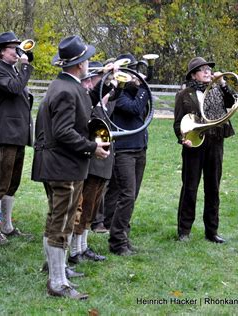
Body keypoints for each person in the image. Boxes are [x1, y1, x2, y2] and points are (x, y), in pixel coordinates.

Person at [32, 35, 113, 300]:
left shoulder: (64, 85)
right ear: (79, 64)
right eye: (87, 59)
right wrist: (92, 147)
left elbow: (83, 101)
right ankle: (57, 282)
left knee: (55, 219)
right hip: (63, 168)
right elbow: (64, 132)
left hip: (58, 165)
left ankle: (56, 269)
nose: (89, 62)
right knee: (62, 222)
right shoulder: (65, 90)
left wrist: (107, 79)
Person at [173, 57, 235, 243]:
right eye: (203, 70)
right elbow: (178, 123)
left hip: (215, 143)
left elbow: (232, 101)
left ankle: (212, 231)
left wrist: (223, 83)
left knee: (213, 188)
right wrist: (183, 139)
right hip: (194, 145)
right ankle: (184, 231)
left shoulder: (217, 90)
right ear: (194, 75)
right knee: (190, 188)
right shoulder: (185, 95)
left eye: (209, 69)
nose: (208, 72)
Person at [0, 31, 34, 245]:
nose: (18, 51)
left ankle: (7, 225)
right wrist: (25, 67)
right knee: (0, 182)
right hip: (5, 135)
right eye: (13, 48)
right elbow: (15, 90)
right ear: (1, 52)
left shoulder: (12, 71)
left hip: (17, 134)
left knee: (12, 182)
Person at [68, 62, 115, 265]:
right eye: (88, 80)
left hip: (103, 161)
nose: (89, 84)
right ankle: (75, 250)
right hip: (90, 161)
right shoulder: (87, 104)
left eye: (93, 80)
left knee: (93, 207)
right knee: (83, 205)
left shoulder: (106, 103)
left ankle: (83, 246)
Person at [106, 53, 150, 256]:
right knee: (127, 195)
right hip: (124, 150)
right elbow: (134, 109)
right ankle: (117, 242)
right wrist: (142, 87)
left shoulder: (135, 90)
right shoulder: (120, 92)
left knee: (132, 196)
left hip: (139, 147)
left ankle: (123, 236)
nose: (134, 75)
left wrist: (141, 87)